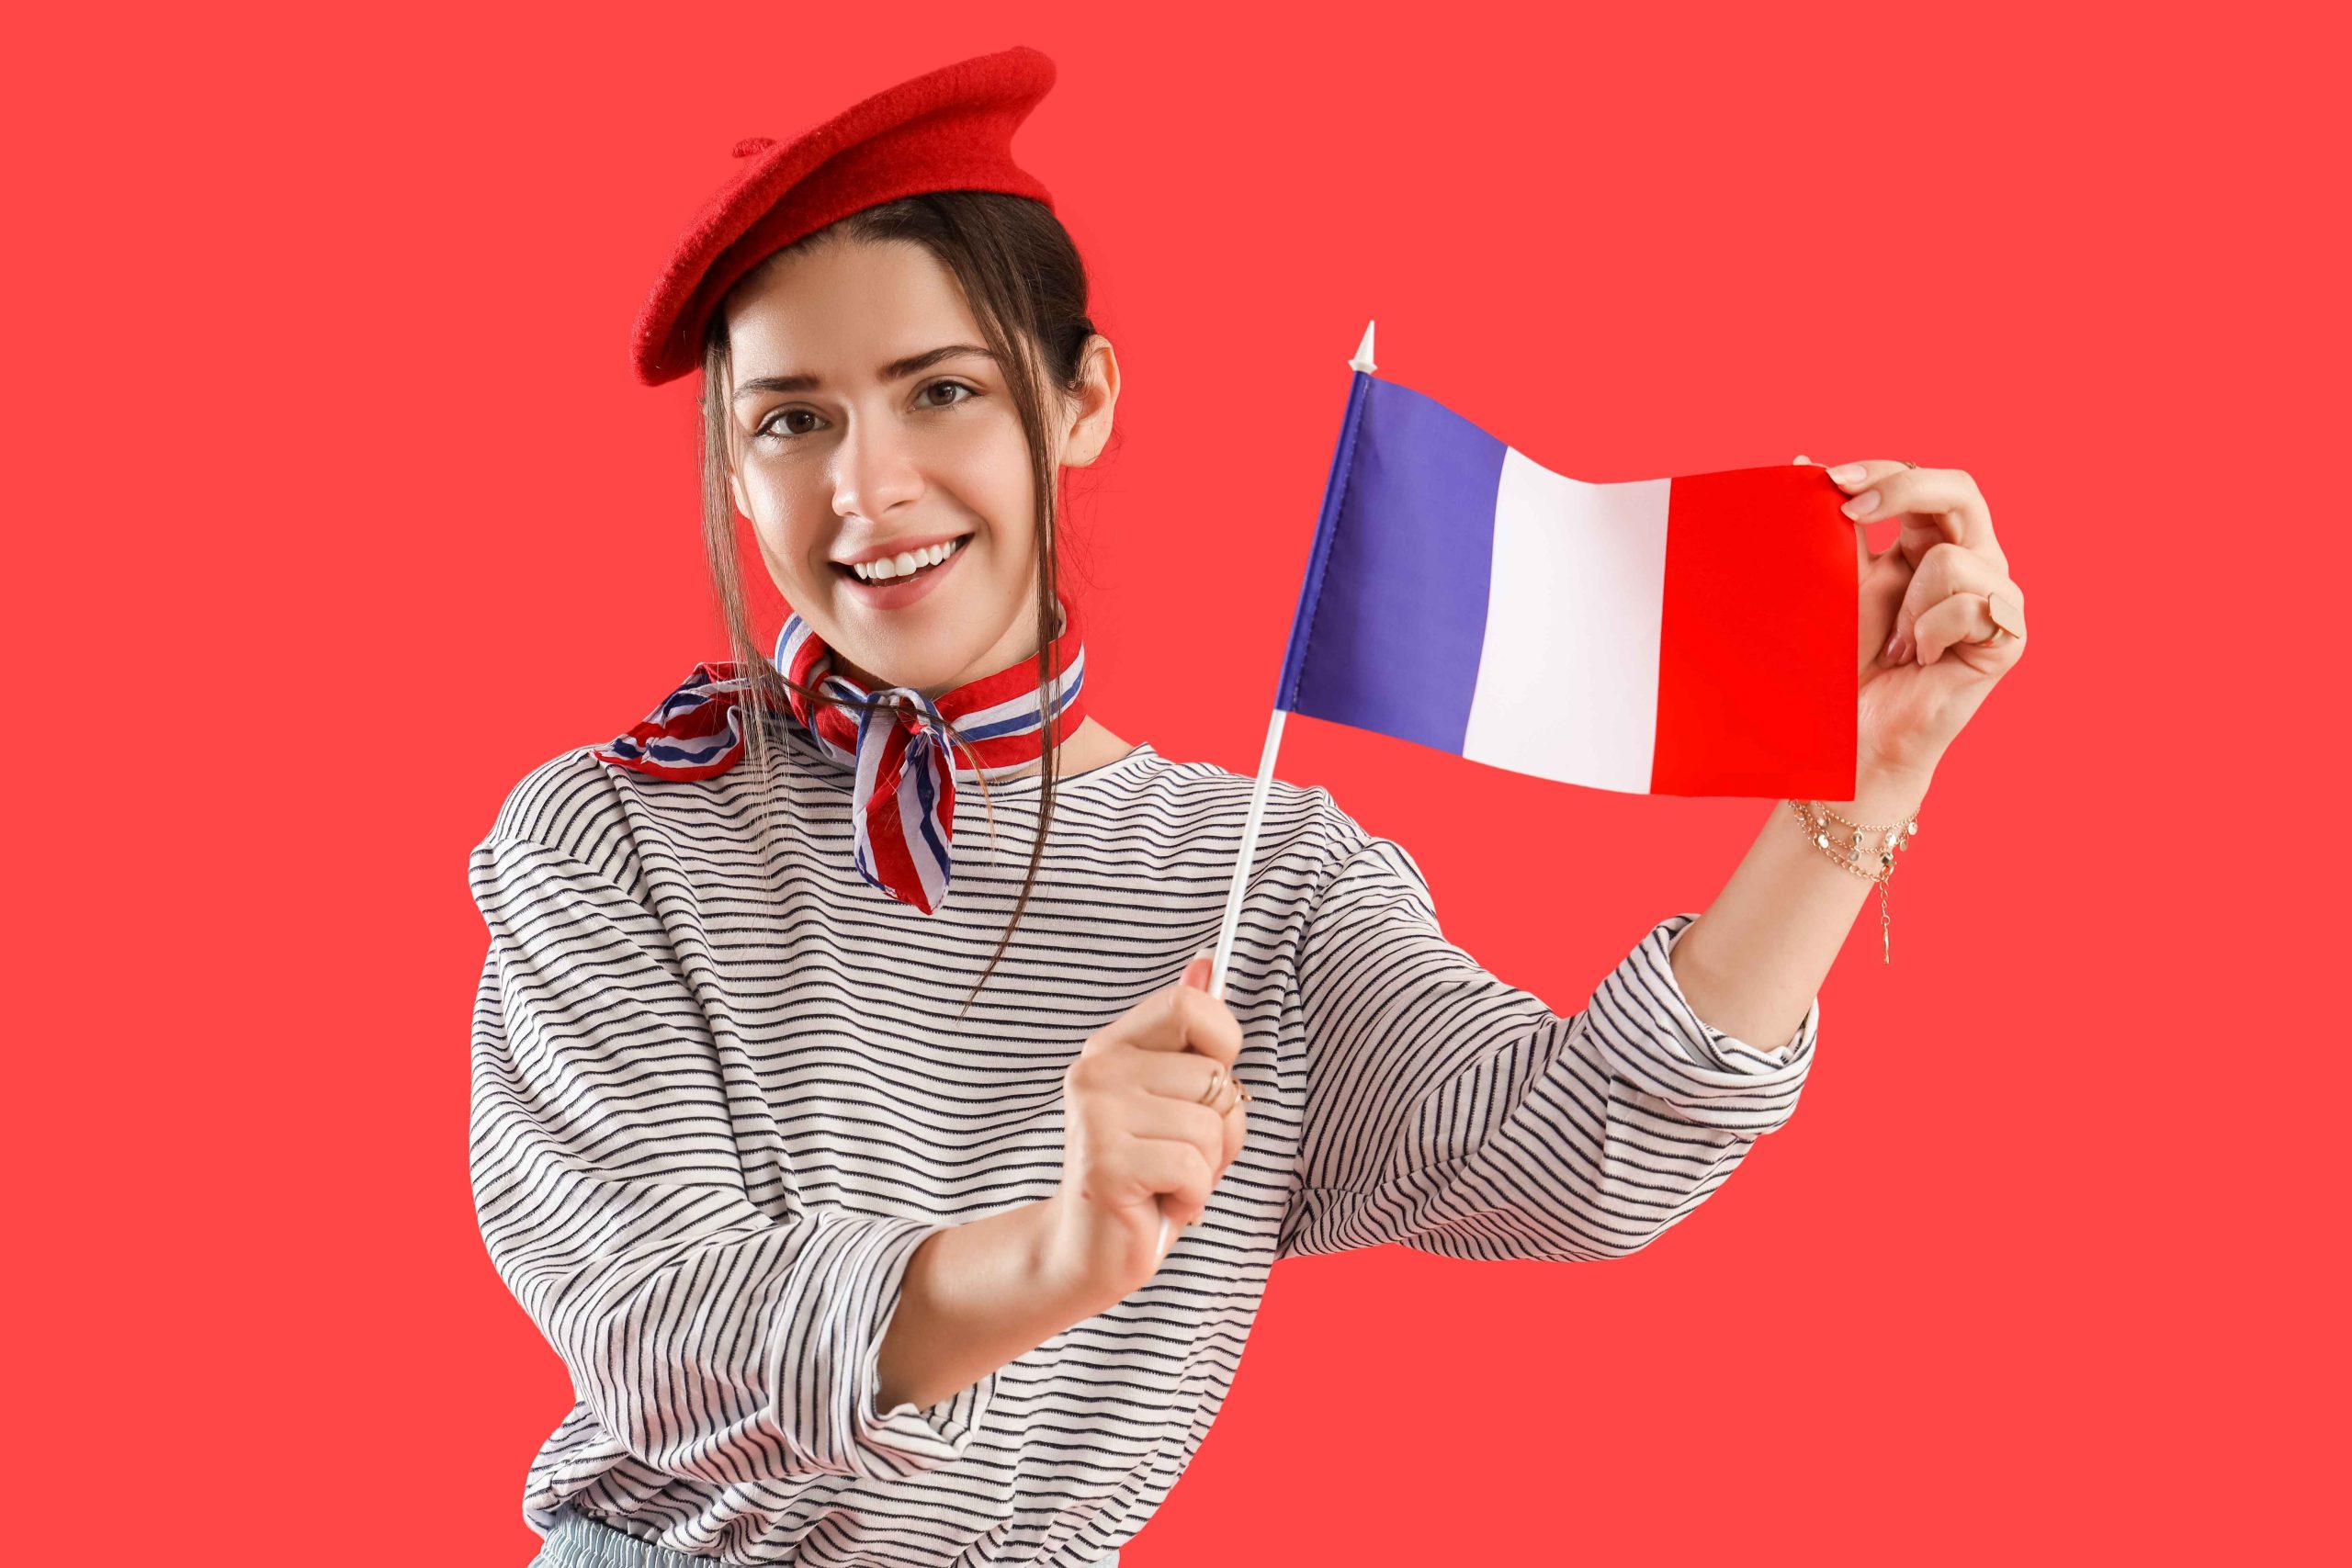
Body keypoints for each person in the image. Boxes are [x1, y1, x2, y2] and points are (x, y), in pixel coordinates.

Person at [466, 43, 2030, 1568]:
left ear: (1079, 402)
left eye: (938, 391)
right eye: (791, 419)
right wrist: (1054, 1257)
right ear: (735, 469)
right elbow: (654, 1329)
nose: (866, 488)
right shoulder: (620, 840)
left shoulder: (1259, 877)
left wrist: (1862, 780)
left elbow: (1583, 1157)